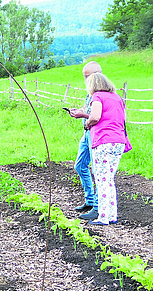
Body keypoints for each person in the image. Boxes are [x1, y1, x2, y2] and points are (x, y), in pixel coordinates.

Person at [84, 73, 131, 225]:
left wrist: (87, 123)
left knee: (101, 179)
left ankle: (103, 217)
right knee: (109, 179)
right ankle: (112, 215)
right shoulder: (117, 98)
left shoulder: (97, 96)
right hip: (119, 141)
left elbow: (96, 116)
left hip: (104, 141)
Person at [67, 61, 102, 220]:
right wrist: (79, 112)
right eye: (84, 77)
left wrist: (84, 116)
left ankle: (97, 206)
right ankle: (90, 200)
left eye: (88, 76)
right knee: (80, 166)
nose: (86, 80)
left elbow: (98, 116)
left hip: (95, 134)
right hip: (86, 133)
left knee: (97, 170)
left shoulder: (101, 93)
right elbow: (89, 111)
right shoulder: (90, 93)